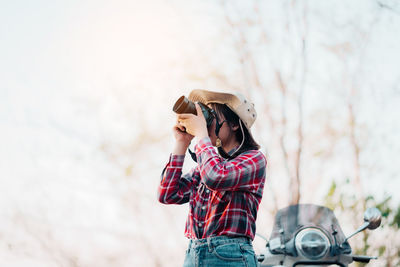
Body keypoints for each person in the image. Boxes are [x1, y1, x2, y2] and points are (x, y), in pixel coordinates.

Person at [158, 89, 267, 267]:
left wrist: (201, 133)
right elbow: (167, 194)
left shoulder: (255, 159)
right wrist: (182, 142)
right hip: (194, 254)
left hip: (231, 255)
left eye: (210, 116)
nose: (204, 122)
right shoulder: (206, 165)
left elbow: (215, 176)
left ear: (233, 124)